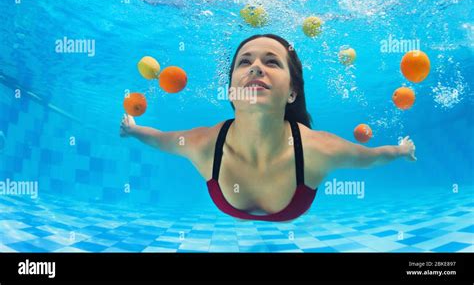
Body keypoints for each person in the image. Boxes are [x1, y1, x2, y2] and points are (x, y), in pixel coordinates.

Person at [120, 34, 416, 222]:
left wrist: (402, 150)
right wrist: (133, 129)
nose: (256, 67)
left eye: (271, 61)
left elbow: (372, 156)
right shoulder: (207, 145)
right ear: (232, 90)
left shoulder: (317, 150)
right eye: (245, 61)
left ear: (292, 92)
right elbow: (162, 139)